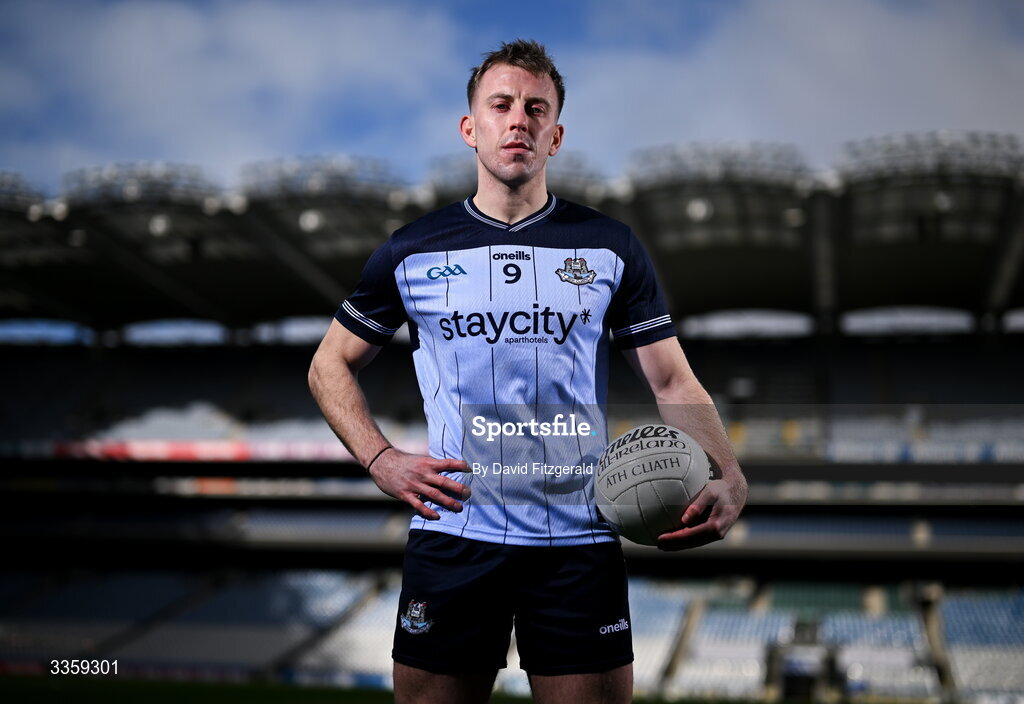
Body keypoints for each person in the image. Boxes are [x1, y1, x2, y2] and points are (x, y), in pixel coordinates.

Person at [309, 39, 747, 704]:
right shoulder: (412, 250)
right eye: (502, 105)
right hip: (455, 532)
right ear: (470, 128)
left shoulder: (609, 246)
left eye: (536, 109)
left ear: (555, 136)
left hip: (579, 538)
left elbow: (671, 381)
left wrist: (728, 468)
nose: (519, 120)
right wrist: (380, 459)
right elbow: (328, 364)